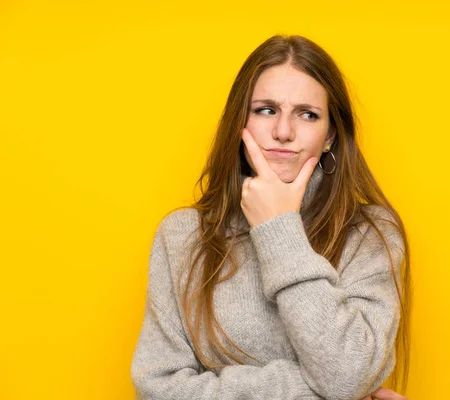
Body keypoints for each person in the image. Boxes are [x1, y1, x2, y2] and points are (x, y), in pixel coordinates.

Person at [130, 34, 411, 400]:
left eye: (307, 114)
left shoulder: (369, 234)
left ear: (329, 136)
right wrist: (316, 389)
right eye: (266, 109)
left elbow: (348, 375)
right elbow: (156, 388)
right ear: (239, 122)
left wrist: (278, 231)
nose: (283, 132)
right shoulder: (182, 236)